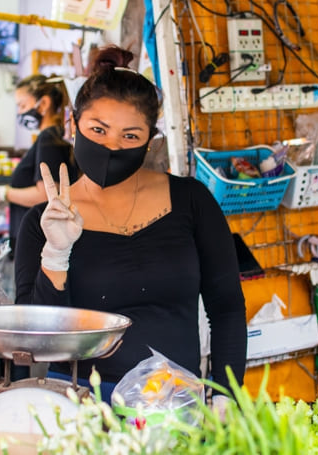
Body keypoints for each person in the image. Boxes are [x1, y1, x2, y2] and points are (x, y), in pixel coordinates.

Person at [15, 46, 247, 406]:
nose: (111, 146)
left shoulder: (191, 200)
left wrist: (226, 396)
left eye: (130, 136)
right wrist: (57, 252)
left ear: (149, 140)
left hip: (175, 410)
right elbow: (35, 341)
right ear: (71, 124)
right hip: (80, 410)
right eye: (98, 129)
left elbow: (227, 307)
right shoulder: (42, 224)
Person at [0, 75, 79, 252]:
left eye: (23, 105)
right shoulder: (52, 136)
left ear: (44, 104)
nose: (20, 112)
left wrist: (4, 193)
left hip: (39, 242)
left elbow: (46, 195)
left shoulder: (49, 137)